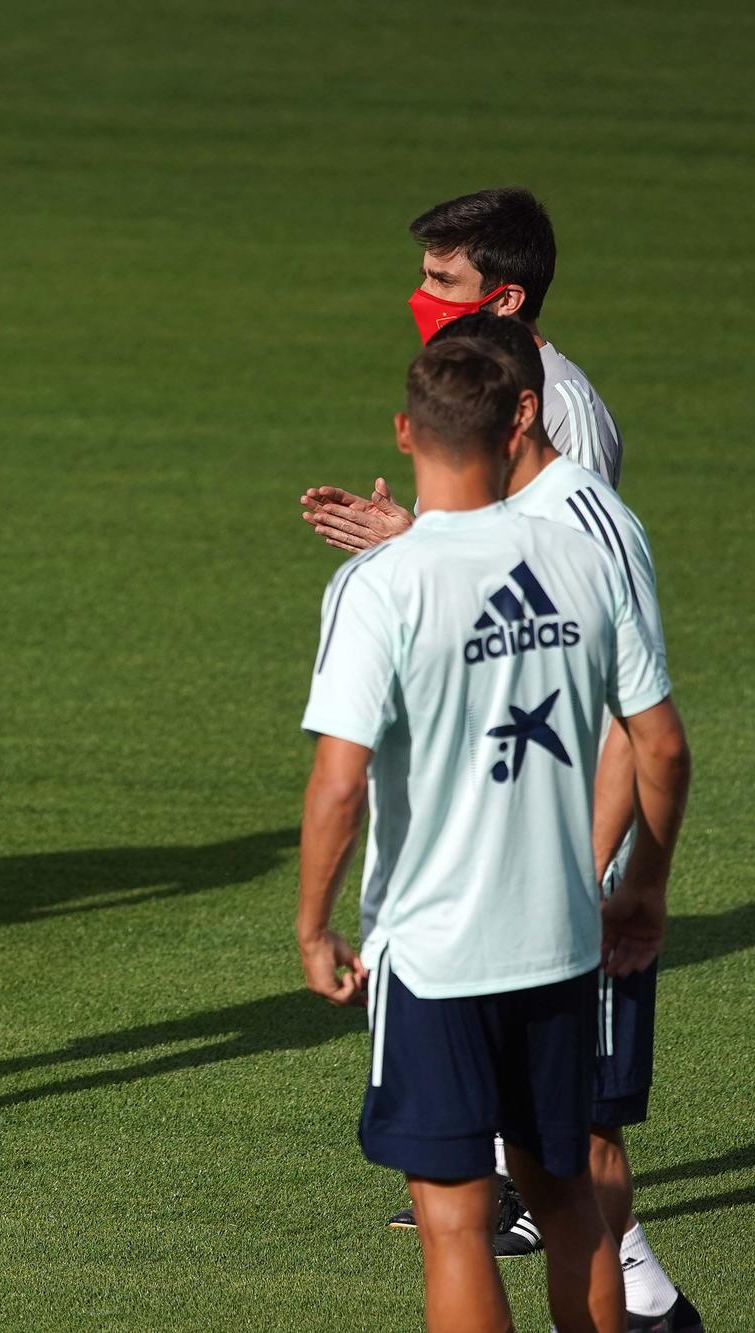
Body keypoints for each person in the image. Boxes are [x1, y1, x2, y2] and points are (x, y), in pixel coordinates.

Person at [295, 338, 691, 1332]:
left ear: (403, 431)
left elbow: (339, 786)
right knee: (567, 1201)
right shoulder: (578, 556)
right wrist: (640, 884)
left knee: (455, 1221)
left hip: (433, 953)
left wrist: (311, 923)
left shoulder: (377, 584)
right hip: (559, 941)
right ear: (515, 422)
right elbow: (661, 750)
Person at [301, 186, 623, 557]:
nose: (422, 295)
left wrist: (416, 549)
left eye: (444, 281)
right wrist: (410, 540)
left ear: (507, 300)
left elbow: (580, 573)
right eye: (425, 276)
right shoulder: (460, 385)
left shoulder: (566, 411)